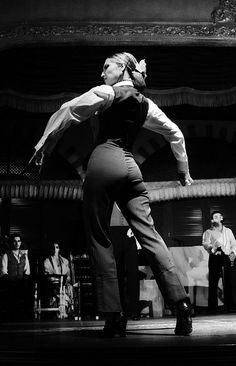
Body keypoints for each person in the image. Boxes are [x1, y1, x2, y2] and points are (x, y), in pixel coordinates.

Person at [32, 51, 194, 336]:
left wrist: (43, 145)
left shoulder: (106, 92)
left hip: (104, 161)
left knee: (98, 237)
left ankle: (113, 316)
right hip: (131, 168)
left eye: (107, 67)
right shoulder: (146, 104)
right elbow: (175, 133)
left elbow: (67, 110)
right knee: (150, 236)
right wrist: (183, 169)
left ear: (121, 69)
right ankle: (181, 305)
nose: (102, 72)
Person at [202, 210, 236, 314]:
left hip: (226, 257)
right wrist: (214, 246)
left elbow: (233, 243)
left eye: (217, 216)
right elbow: (205, 244)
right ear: (212, 220)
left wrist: (233, 253)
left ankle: (230, 306)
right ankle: (212, 308)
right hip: (215, 257)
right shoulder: (208, 232)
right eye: (214, 217)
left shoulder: (228, 231)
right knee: (213, 282)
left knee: (228, 282)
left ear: (221, 218)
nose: (215, 218)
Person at [0, 233, 33, 320]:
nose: (17, 243)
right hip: (10, 284)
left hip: (22, 284)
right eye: (14, 241)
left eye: (18, 241)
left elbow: (27, 271)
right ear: (11, 243)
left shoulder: (24, 256)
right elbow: (3, 272)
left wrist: (23, 280)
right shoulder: (6, 255)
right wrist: (13, 280)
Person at [42, 242, 73, 318]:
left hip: (64, 284)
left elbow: (68, 275)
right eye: (53, 247)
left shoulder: (65, 261)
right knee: (57, 291)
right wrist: (58, 280)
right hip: (53, 285)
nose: (55, 249)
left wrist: (65, 280)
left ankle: (65, 309)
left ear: (59, 249)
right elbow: (48, 276)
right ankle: (60, 310)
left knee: (69, 288)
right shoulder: (46, 261)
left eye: (57, 247)